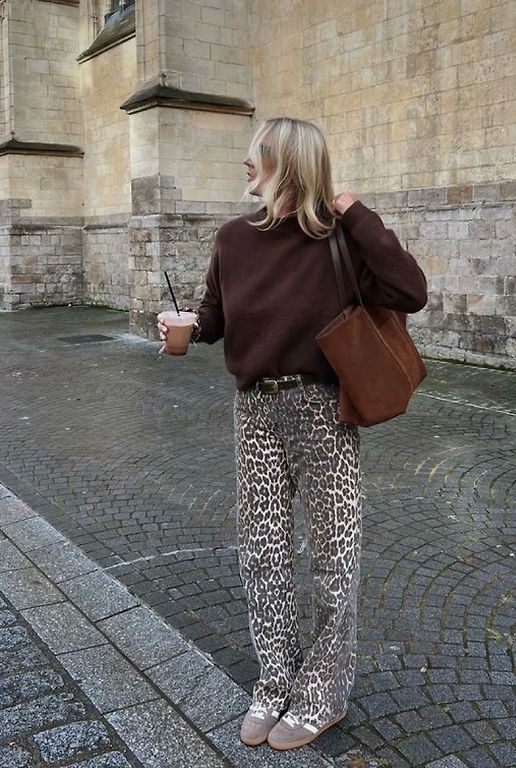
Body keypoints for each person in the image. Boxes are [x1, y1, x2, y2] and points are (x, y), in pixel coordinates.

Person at [157, 117, 427, 751]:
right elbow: (215, 317)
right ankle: (277, 679)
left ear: (289, 164)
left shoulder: (337, 239)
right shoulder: (233, 238)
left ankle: (323, 692)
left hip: (324, 409)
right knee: (263, 553)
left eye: (257, 155)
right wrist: (186, 326)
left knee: (334, 555)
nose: (245, 165)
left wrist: (353, 210)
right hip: (254, 408)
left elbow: (409, 290)